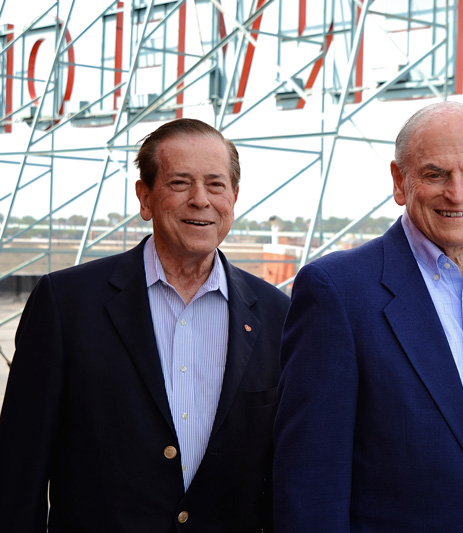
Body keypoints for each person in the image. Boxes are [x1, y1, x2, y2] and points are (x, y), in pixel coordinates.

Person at [273, 101, 463, 531]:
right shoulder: (336, 291)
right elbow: (311, 480)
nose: (457, 192)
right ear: (400, 181)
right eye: (435, 174)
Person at [0, 118, 290, 532]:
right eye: (179, 183)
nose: (200, 200)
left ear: (234, 197)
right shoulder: (66, 304)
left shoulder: (279, 315)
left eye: (215, 184)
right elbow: (18, 470)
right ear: (145, 198)